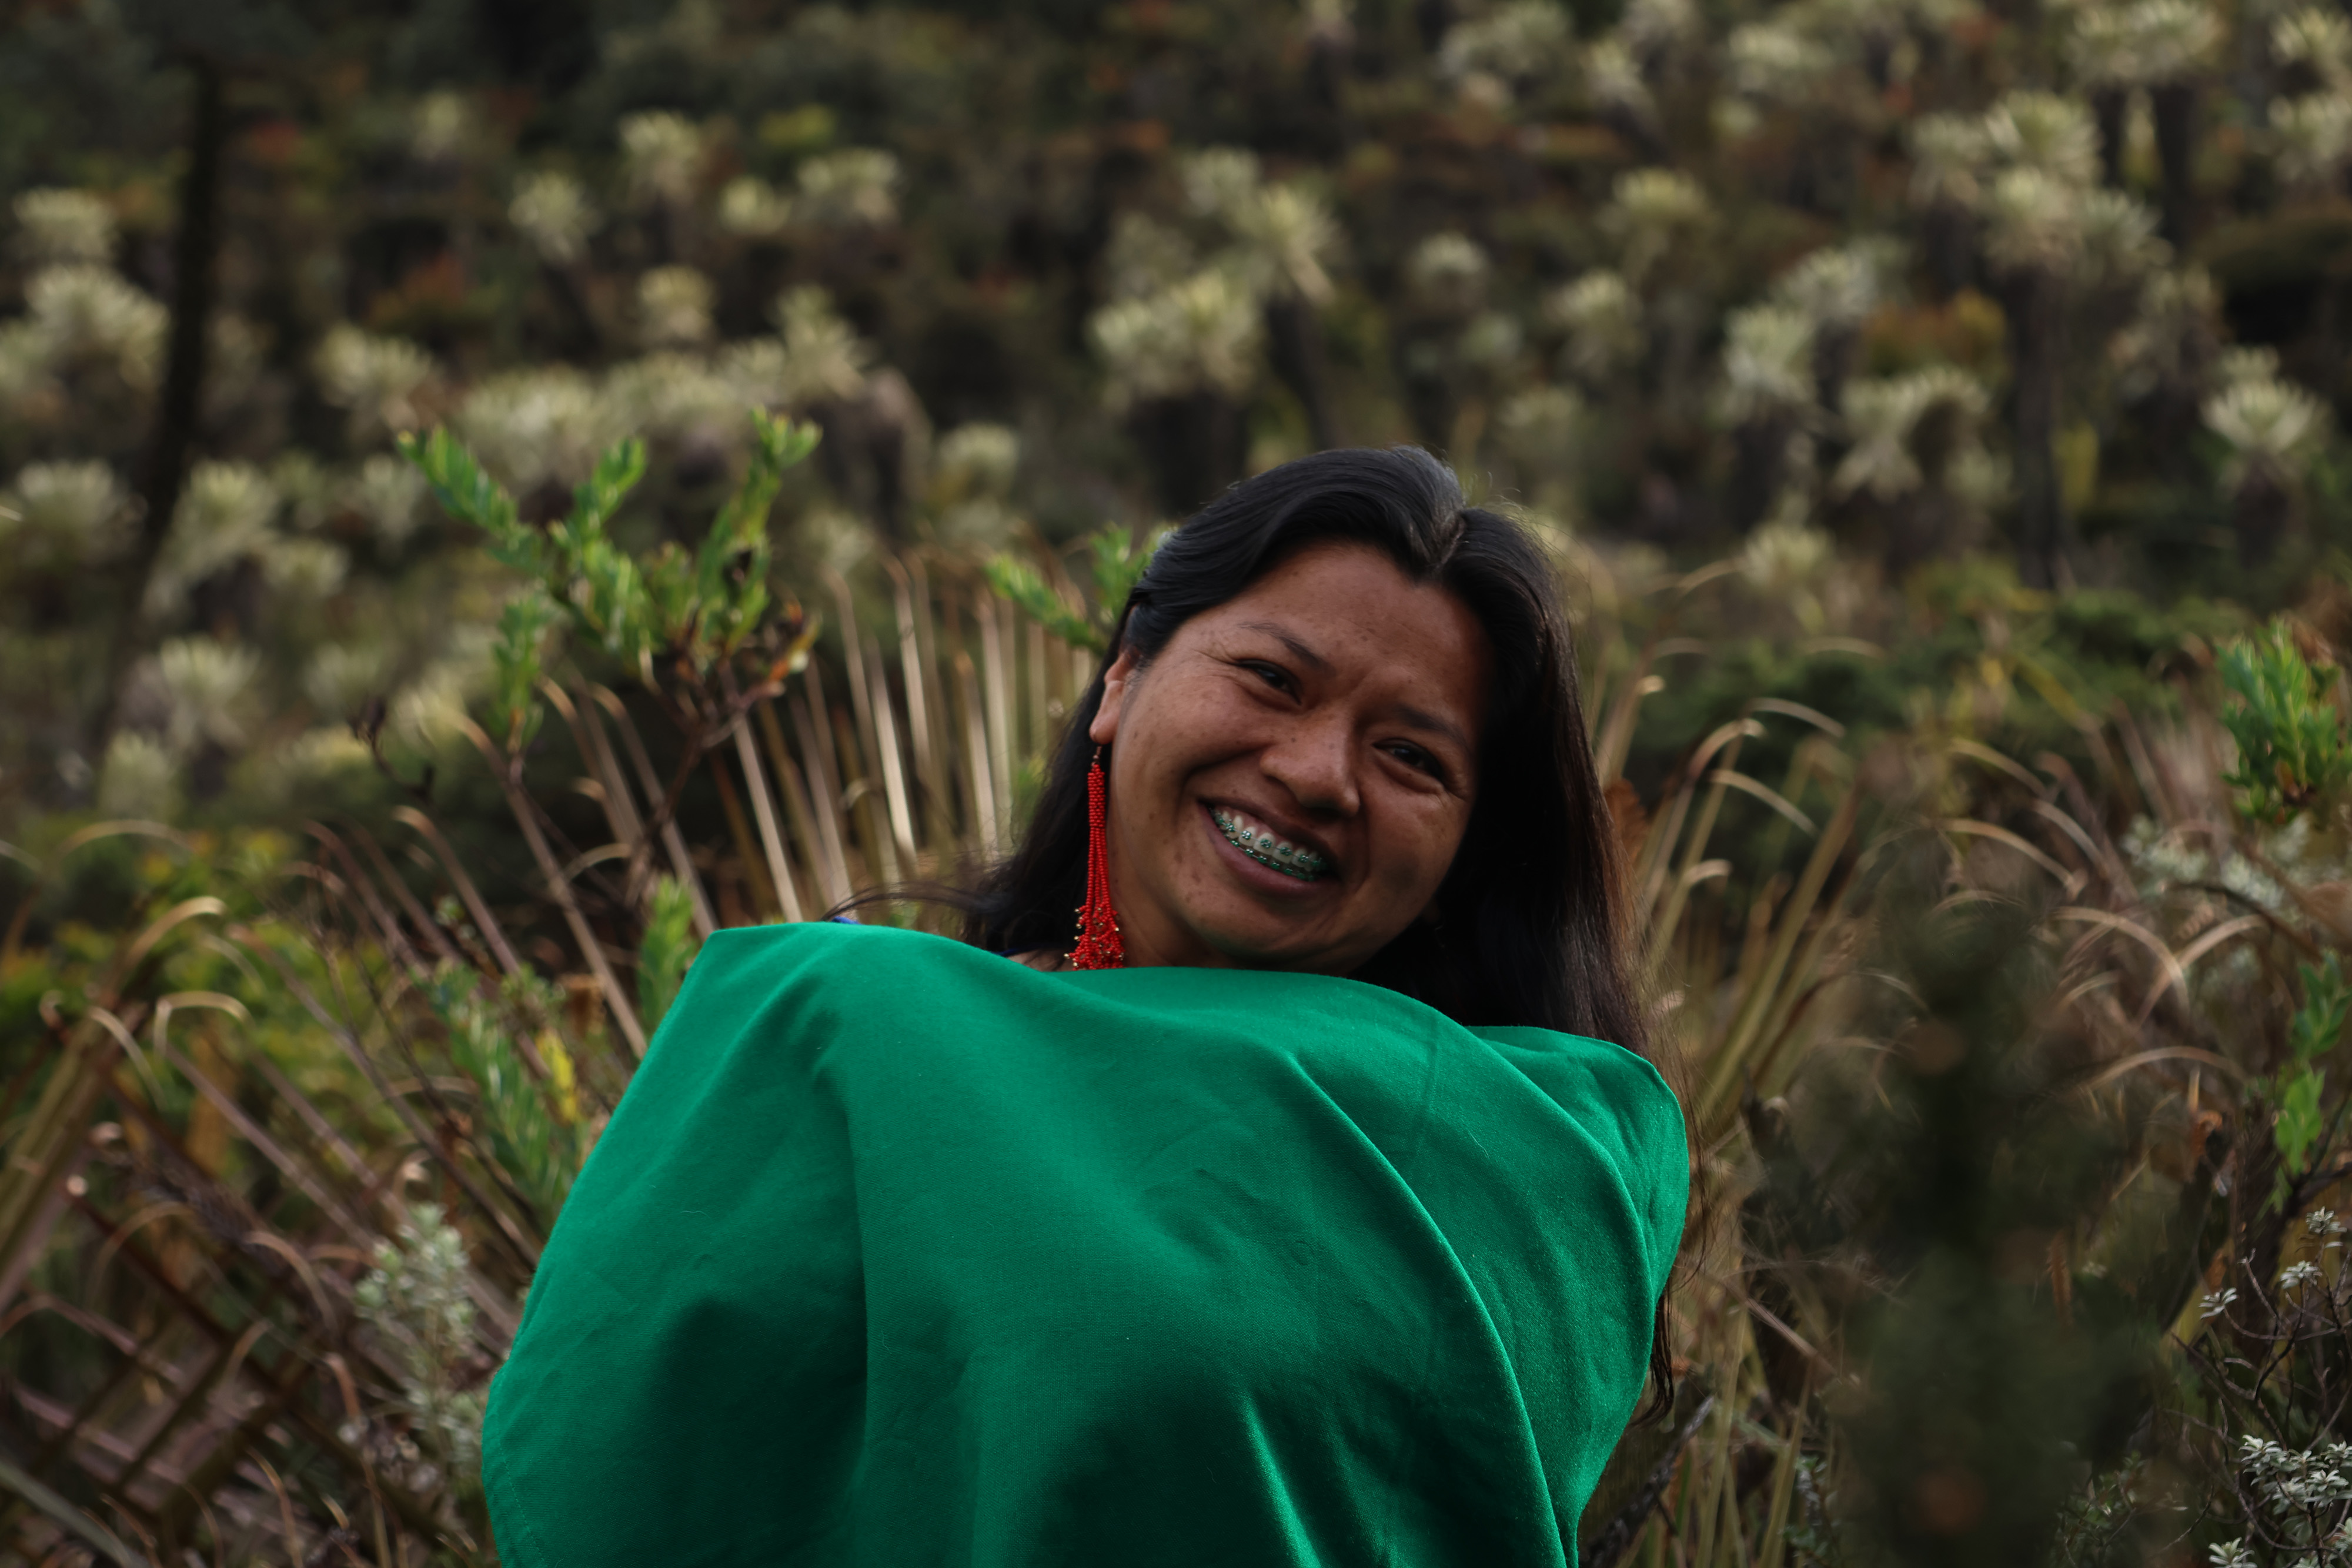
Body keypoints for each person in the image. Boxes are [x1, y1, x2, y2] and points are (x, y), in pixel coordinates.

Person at [481, 447, 1689, 1567]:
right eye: (1271, 679)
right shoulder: (845, 1036)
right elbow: (621, 1448)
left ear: (1465, 848)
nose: (1319, 773)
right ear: (1122, 676)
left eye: (1411, 758)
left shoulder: (1525, 1150)